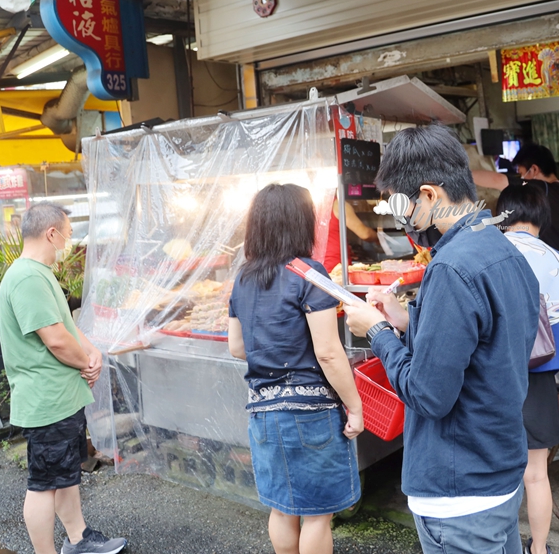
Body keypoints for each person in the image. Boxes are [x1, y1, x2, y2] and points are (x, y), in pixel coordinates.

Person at [344, 124, 540, 554]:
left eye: (404, 207)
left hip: (460, 492)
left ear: (430, 195)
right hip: (500, 470)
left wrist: (376, 332)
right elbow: (485, 341)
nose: (404, 221)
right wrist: (408, 320)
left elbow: (429, 395)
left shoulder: (450, 268)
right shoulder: (504, 249)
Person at [227, 184, 363, 554]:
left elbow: (237, 346)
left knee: (283, 508)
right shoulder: (309, 273)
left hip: (263, 413)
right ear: (302, 223)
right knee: (318, 515)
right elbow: (330, 353)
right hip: (311, 416)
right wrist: (356, 407)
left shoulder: (243, 277)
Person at [0, 203, 126, 554]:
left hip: (61, 399)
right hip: (47, 401)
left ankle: (78, 538)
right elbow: (54, 338)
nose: (68, 243)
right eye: (67, 236)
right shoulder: (26, 277)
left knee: (64, 476)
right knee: (43, 485)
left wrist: (91, 352)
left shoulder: (40, 274)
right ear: (51, 234)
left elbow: (66, 325)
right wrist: (87, 361)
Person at [472, 144, 559, 459]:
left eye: (518, 172)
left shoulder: (534, 190)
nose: (515, 178)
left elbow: (492, 181)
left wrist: (448, 176)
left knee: (543, 368)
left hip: (545, 294)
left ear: (533, 171)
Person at [496, 183, 559, 554]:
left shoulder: (489, 253)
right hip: (539, 378)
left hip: (491, 378)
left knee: (495, 471)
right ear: (541, 218)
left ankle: (499, 544)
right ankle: (540, 548)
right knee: (536, 473)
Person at [321, 199, 379, 272]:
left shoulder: (310, 203)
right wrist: (379, 238)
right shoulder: (338, 204)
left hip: (316, 267)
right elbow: (365, 234)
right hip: (336, 266)